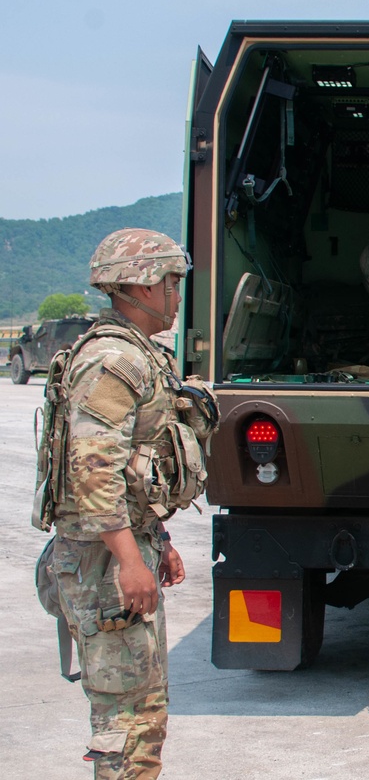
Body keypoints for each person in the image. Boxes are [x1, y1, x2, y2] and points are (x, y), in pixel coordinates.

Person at [41, 229, 216, 779]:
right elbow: (92, 470)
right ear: (139, 285)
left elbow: (134, 463)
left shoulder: (138, 354)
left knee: (142, 709)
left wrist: (154, 542)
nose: (177, 294)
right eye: (170, 282)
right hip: (102, 561)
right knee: (126, 719)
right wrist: (128, 559)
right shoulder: (114, 360)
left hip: (117, 548)